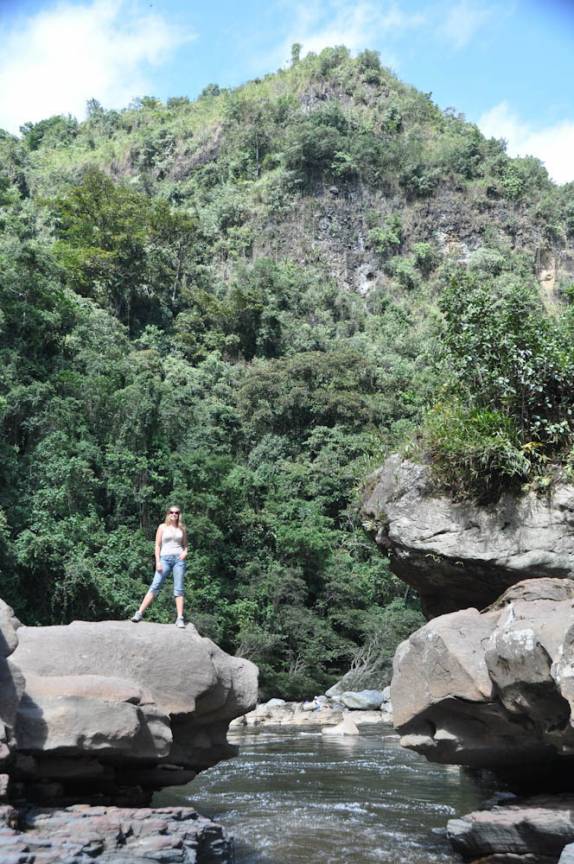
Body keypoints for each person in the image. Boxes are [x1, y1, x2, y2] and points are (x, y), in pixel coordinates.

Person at [132, 505, 188, 628]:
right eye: (171, 512)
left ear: (179, 514)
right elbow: (157, 545)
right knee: (155, 585)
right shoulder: (162, 527)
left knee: (179, 589)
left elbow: (185, 545)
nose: (174, 514)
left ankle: (180, 618)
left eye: (176, 512)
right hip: (164, 559)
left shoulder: (182, 528)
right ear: (168, 514)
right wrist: (158, 561)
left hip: (178, 560)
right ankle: (139, 613)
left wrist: (185, 552)